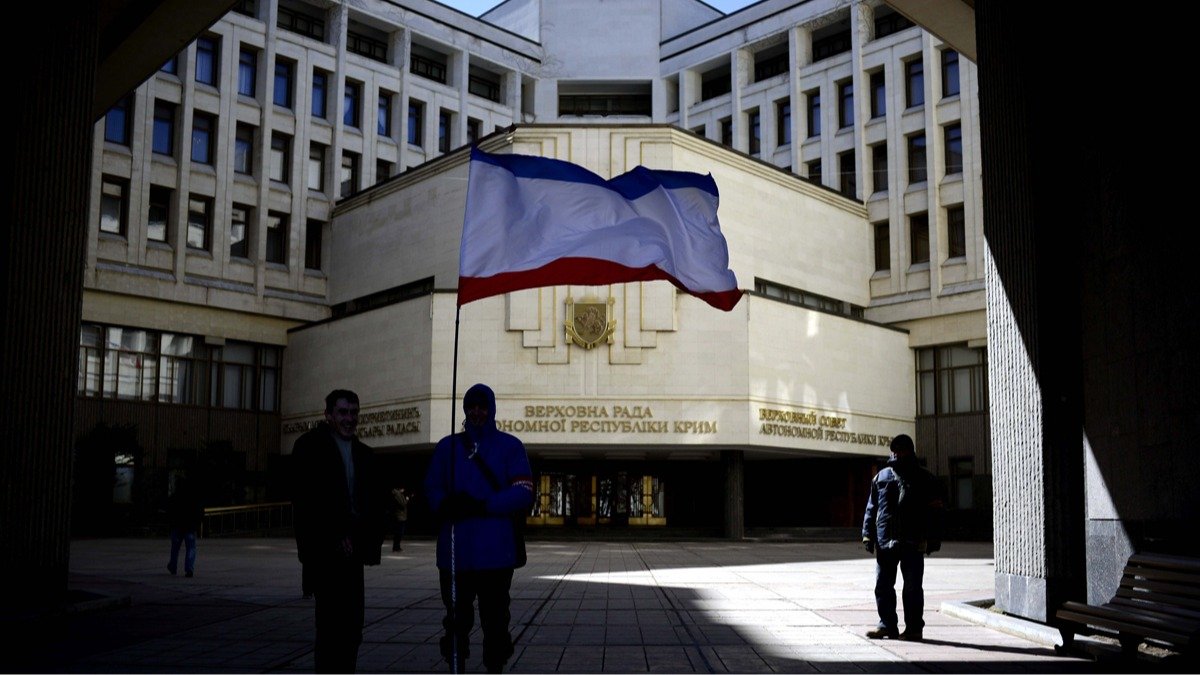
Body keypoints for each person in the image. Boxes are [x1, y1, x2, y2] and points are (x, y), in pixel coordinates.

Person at [425, 383, 534, 674]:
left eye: (482, 406)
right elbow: (432, 487)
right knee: (456, 621)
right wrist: (445, 504)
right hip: (455, 552)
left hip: (496, 554)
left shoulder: (510, 446)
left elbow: (523, 490)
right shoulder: (447, 447)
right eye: (471, 406)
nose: (476, 412)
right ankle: (456, 664)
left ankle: (494, 665)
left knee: (495, 620)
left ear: (492, 408)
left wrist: (483, 505)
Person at [291, 389, 385, 673]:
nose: (349, 419)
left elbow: (371, 503)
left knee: (353, 627)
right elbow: (308, 501)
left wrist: (364, 538)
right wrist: (335, 533)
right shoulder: (309, 447)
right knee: (330, 629)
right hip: (325, 553)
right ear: (328, 415)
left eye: (354, 413)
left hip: (354, 552)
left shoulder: (364, 454)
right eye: (343, 412)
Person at [861, 433, 945, 642]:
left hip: (913, 541)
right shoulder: (881, 477)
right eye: (895, 450)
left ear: (910, 451)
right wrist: (867, 535)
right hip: (885, 541)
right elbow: (872, 508)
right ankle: (887, 625)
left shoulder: (925, 478)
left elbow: (935, 512)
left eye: (902, 449)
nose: (898, 453)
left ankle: (914, 629)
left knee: (912, 588)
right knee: (883, 586)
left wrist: (934, 539)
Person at [166, 476, 203, 578]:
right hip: (190, 527)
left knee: (175, 548)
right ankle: (189, 568)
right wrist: (197, 524)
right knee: (191, 548)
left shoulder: (174, 498)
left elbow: (169, 512)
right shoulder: (193, 498)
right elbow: (199, 511)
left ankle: (173, 566)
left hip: (177, 526)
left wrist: (171, 524)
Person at [390, 486, 409, 552]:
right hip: (399, 516)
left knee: (399, 532)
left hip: (400, 516)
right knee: (399, 532)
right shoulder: (397, 494)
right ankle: (396, 547)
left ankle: (397, 547)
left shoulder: (398, 494)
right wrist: (407, 499)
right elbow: (402, 504)